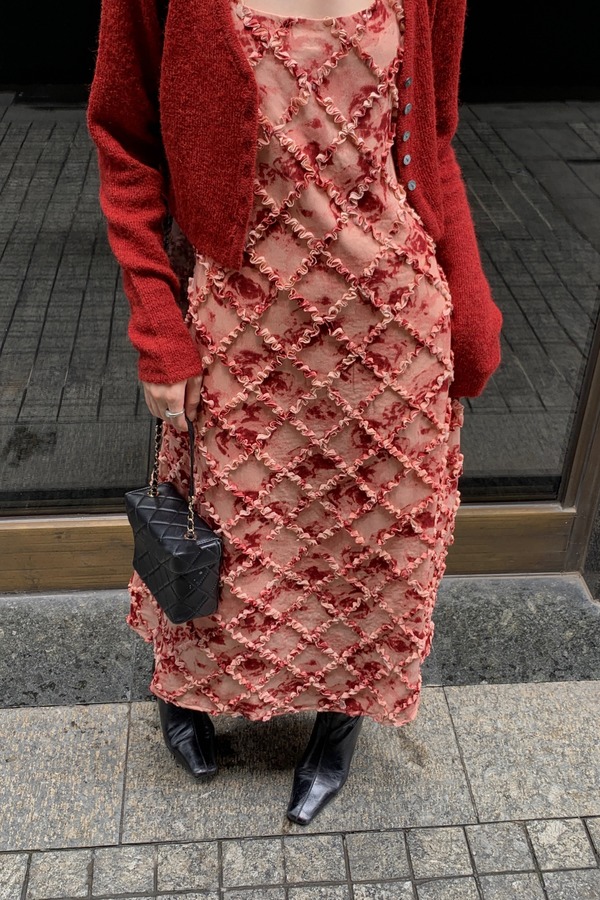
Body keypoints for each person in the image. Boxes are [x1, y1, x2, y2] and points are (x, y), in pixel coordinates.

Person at [87, 0, 503, 826]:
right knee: (223, 535)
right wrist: (158, 327)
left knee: (371, 544)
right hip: (240, 330)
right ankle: (187, 691)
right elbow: (124, 143)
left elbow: (434, 144)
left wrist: (467, 303)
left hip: (389, 331)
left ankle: (340, 722)